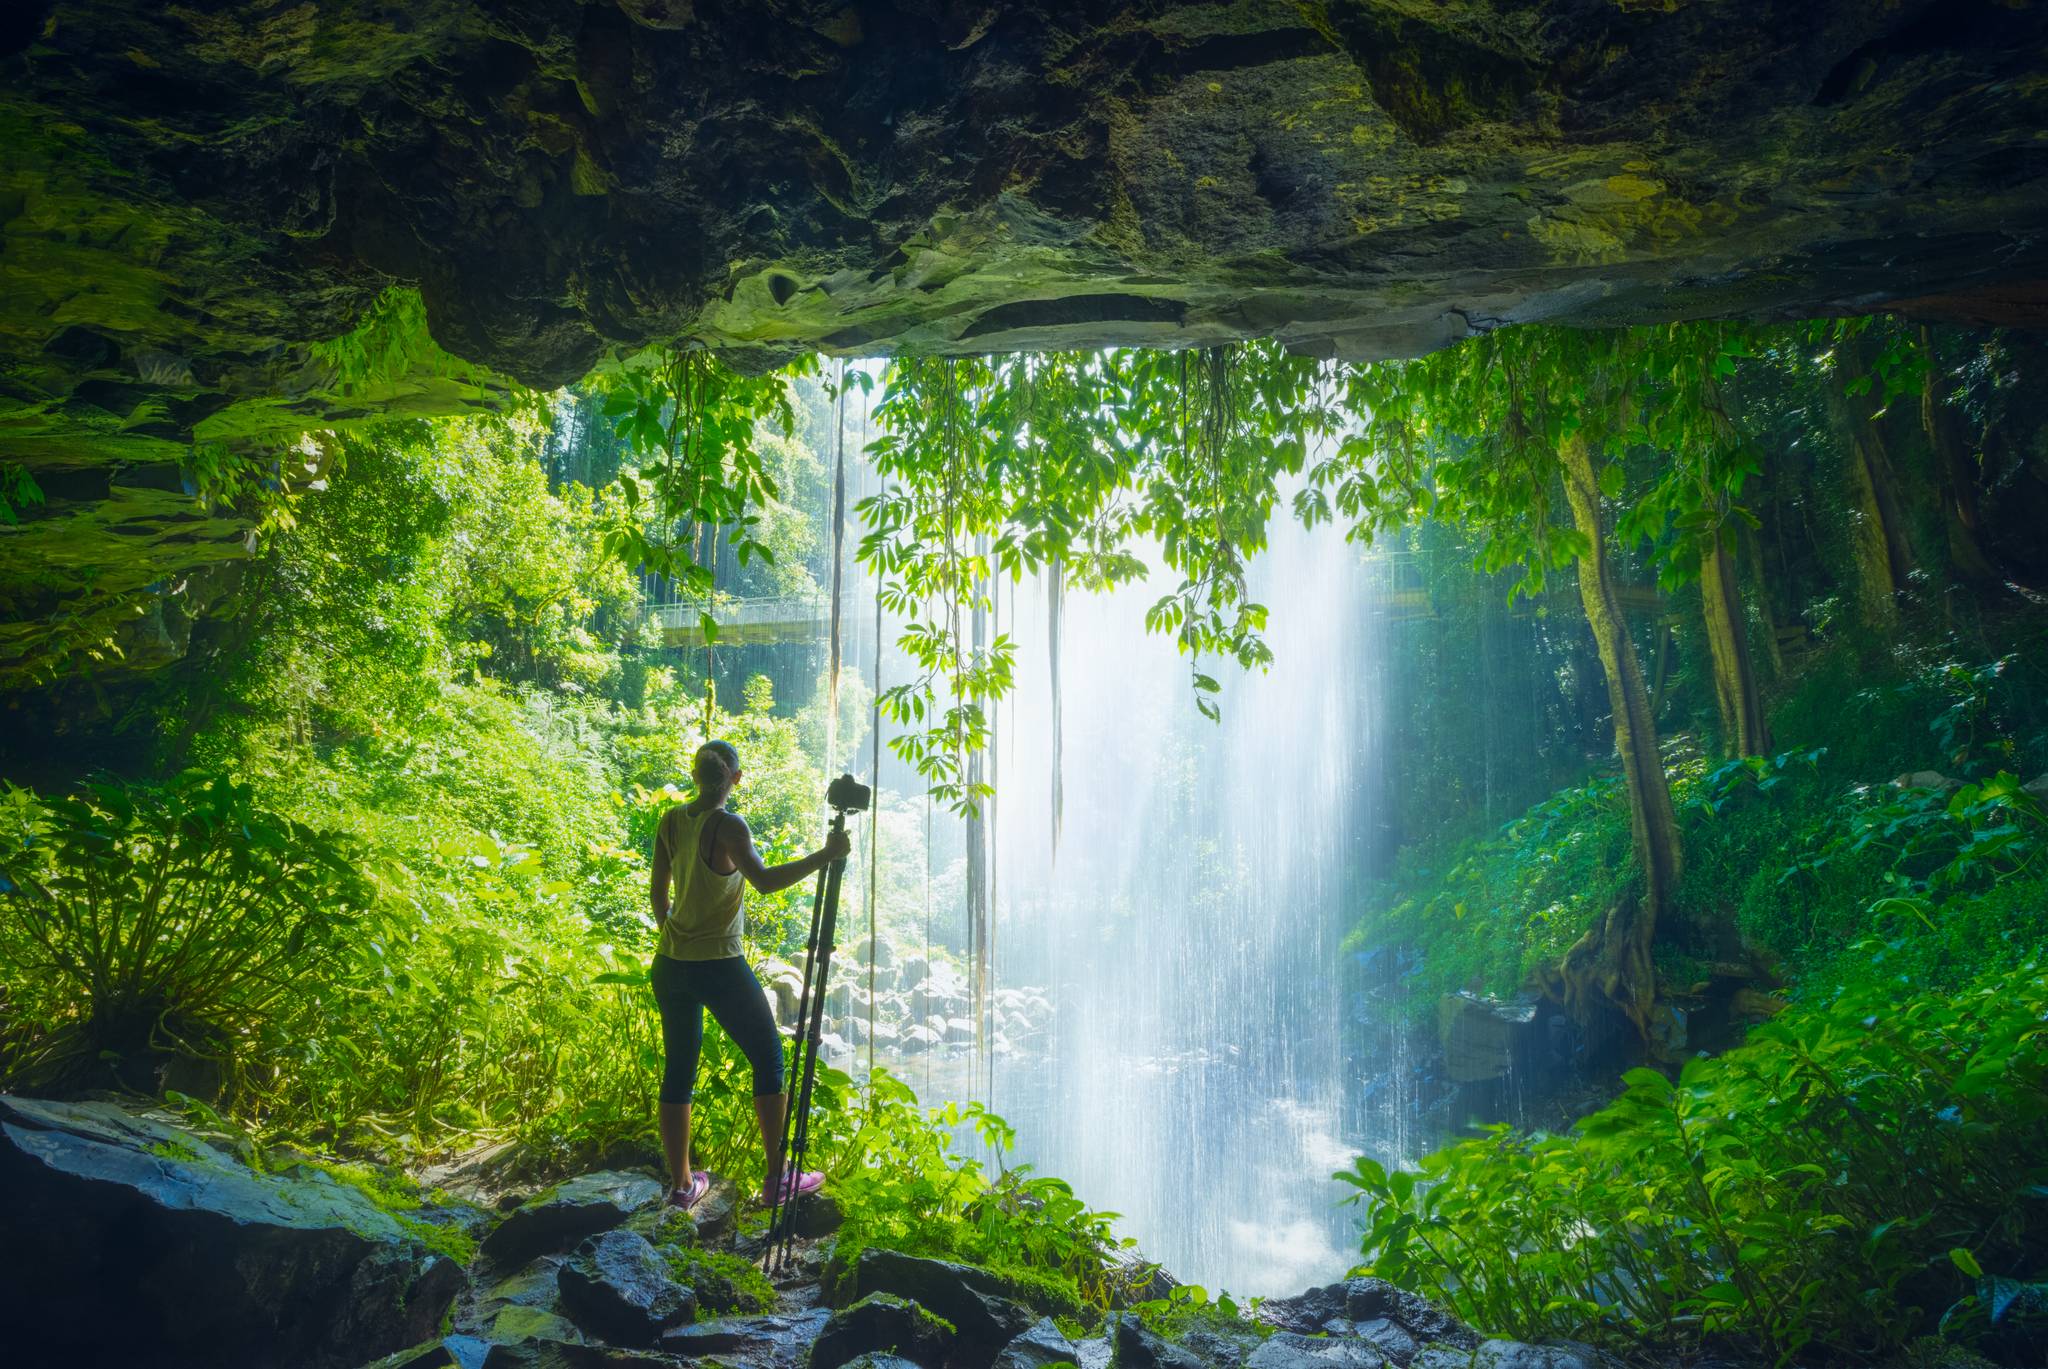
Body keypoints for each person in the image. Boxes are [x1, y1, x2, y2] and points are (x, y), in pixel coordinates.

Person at [649, 740, 851, 1210]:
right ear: (735, 779)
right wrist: (826, 855)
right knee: (768, 1057)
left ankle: (681, 1187)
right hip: (719, 964)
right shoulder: (730, 825)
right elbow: (763, 881)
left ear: (696, 775)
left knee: (679, 1069)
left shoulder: (671, 821)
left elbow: (659, 891)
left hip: (670, 963)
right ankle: (779, 1178)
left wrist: (673, 936)